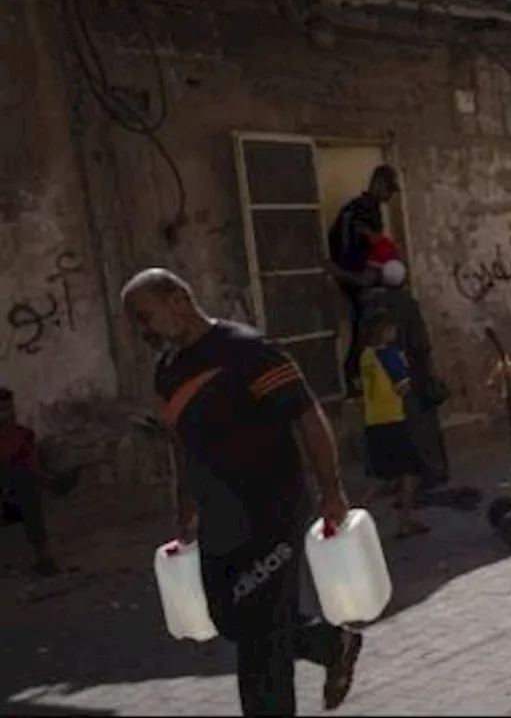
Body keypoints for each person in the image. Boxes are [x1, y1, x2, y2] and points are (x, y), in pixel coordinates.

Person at [120, 268, 364, 716]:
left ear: (177, 299)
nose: (142, 331)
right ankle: (331, 643)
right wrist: (185, 507)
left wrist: (332, 490)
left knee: (262, 638)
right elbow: (182, 445)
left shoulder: (247, 350)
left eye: (144, 316)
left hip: (273, 509)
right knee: (230, 618)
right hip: (220, 516)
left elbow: (307, 416)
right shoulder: (168, 372)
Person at [360, 261, 450, 490]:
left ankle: (395, 480)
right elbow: (421, 344)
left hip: (380, 386)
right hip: (408, 374)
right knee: (420, 426)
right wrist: (430, 371)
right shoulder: (407, 304)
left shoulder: (372, 304)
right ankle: (425, 474)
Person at [326, 165, 401, 395]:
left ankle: (366, 376)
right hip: (354, 278)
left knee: (371, 326)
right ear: (378, 184)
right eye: (388, 191)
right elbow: (348, 248)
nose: (389, 197)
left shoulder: (371, 210)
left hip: (363, 276)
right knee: (364, 328)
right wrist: (355, 275)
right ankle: (353, 378)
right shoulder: (358, 211)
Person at [359, 311, 432, 539]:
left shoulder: (366, 356)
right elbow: (402, 388)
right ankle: (404, 520)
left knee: (388, 474)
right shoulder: (389, 355)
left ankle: (360, 510)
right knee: (410, 471)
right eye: (390, 328)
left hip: (373, 420)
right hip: (392, 418)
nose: (394, 331)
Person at [0, 388, 59, 577]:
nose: (6, 415)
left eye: (9, 409)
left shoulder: (23, 435)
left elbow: (31, 466)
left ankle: (43, 555)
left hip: (14, 498)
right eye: (1, 410)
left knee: (26, 485)